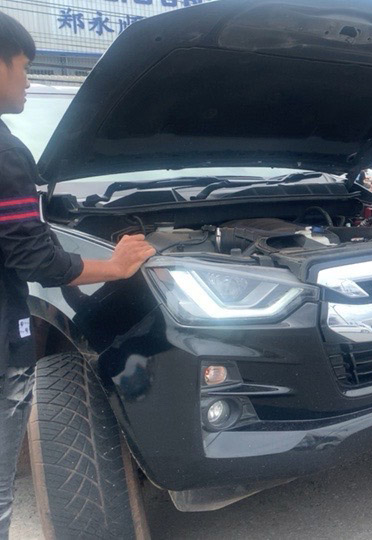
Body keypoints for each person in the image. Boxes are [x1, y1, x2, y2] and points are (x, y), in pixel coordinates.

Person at [0, 14, 155, 538]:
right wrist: (115, 265)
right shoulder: (7, 153)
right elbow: (36, 260)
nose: (27, 80)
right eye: (24, 66)